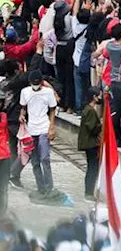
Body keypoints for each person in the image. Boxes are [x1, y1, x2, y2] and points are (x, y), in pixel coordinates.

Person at [19, 69, 58, 202]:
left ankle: (49, 187)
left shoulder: (48, 93)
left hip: (44, 128)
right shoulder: (25, 92)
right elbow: (23, 107)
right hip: (31, 129)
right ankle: (41, 187)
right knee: (35, 161)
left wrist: (52, 127)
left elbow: (52, 109)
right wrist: (22, 115)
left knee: (45, 158)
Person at [78, 86, 103, 201]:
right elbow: (93, 128)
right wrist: (101, 124)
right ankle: (89, 193)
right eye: (99, 96)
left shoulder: (88, 110)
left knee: (91, 168)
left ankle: (89, 192)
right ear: (94, 97)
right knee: (92, 169)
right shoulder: (90, 111)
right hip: (91, 144)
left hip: (90, 143)